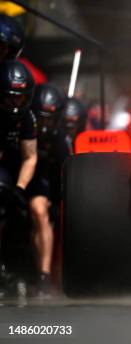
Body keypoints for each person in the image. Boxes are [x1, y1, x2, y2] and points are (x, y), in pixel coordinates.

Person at [0, 60, 42, 293]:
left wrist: (20, 188)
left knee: (20, 212)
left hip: (15, 170)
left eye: (20, 96)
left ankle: (20, 270)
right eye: (10, 96)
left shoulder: (27, 118)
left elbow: (30, 157)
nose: (15, 102)